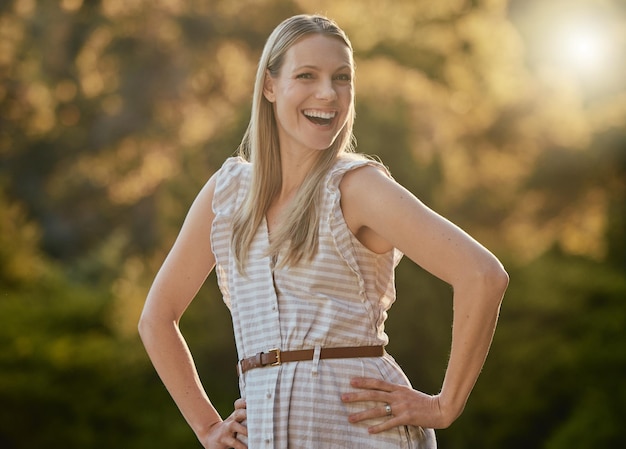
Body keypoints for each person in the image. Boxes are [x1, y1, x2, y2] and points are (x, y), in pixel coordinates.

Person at [138, 14, 508, 449]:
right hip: (267, 435)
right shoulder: (226, 194)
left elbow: (482, 275)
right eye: (307, 75)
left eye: (342, 77)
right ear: (270, 86)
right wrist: (207, 427)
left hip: (364, 434)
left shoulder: (357, 187)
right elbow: (156, 319)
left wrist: (444, 405)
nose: (328, 93)